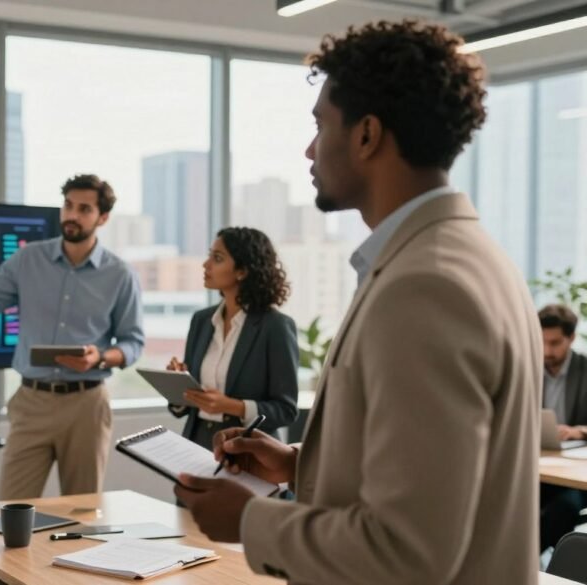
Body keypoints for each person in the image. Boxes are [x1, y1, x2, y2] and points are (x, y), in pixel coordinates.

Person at [174, 20, 541, 585]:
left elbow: (409, 550)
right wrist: (301, 464)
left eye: (320, 124)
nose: (310, 147)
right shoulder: (466, 258)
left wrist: (251, 520)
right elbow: (436, 480)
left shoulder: (427, 286)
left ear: (367, 135)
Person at [0, 174, 144, 500]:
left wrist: (98, 357)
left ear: (103, 218)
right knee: (12, 509)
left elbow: (133, 343)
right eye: (68, 205)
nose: (72, 215)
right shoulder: (29, 259)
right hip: (32, 402)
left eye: (84, 209)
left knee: (82, 511)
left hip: (87, 405)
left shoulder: (119, 274)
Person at [166, 227, 298, 449]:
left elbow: (286, 411)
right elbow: (185, 407)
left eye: (217, 258)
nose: (205, 264)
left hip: (248, 449)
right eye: (210, 255)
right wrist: (179, 386)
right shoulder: (202, 320)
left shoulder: (275, 326)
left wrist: (233, 406)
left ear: (242, 271)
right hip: (197, 443)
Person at [538, 304, 587, 551]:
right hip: (540, 464)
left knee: (563, 508)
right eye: (542, 341)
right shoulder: (529, 368)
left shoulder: (585, 368)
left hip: (575, 474)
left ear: (571, 338)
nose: (547, 350)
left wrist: (579, 431)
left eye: (555, 343)